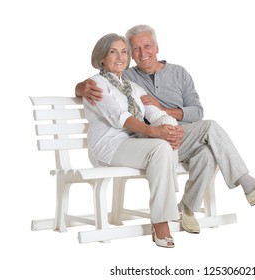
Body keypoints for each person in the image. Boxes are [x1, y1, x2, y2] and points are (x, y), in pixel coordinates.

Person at [76, 25, 255, 235]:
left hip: (181, 136)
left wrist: (166, 116)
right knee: (210, 130)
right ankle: (248, 185)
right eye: (135, 49)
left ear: (157, 47)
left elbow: (197, 112)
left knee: (207, 150)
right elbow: (100, 84)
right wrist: (79, 87)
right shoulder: (128, 76)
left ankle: (186, 208)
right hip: (150, 140)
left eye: (146, 46)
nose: (141, 53)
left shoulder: (177, 74)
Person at [83, 32, 184, 248]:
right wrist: (155, 132)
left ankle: (163, 214)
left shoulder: (133, 87)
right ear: (101, 58)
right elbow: (120, 117)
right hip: (108, 147)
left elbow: (155, 113)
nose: (120, 57)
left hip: (131, 145)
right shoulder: (95, 84)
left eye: (124, 52)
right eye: (113, 52)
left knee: (165, 142)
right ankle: (161, 221)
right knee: (160, 146)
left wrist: (171, 129)